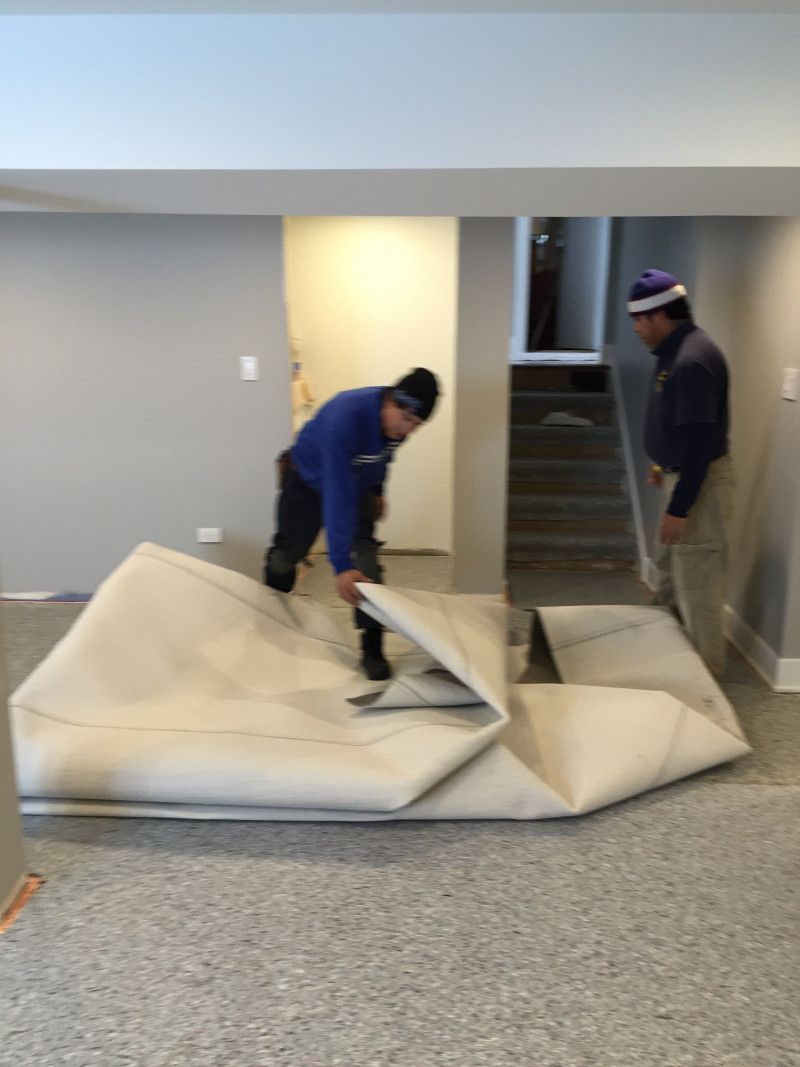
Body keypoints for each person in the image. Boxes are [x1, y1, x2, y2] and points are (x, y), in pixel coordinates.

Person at [264, 367, 440, 681]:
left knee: (367, 565)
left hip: (354, 482)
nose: (410, 431)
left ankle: (372, 648)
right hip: (305, 480)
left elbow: (382, 459)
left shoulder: (396, 428)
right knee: (284, 557)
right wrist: (341, 564)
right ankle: (272, 620)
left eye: (418, 425)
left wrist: (376, 491)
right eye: (408, 420)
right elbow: (337, 495)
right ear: (391, 402)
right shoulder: (344, 418)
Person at [627, 268, 733, 675]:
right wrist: (660, 463)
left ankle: (708, 692)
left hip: (698, 488)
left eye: (638, 320)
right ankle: (669, 662)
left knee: (698, 590)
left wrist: (680, 507)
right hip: (681, 479)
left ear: (658, 315)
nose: (636, 328)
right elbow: (679, 424)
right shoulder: (674, 352)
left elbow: (702, 443)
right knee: (672, 578)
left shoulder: (691, 360)